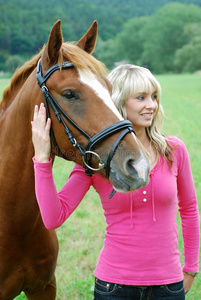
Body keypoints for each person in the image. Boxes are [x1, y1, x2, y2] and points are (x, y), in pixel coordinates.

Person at [31, 64, 200, 300]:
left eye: (154, 97)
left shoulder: (174, 150)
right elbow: (53, 217)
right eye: (140, 98)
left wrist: (191, 268)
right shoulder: (94, 161)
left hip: (168, 286)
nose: (151, 105)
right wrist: (41, 159)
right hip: (113, 287)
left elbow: (189, 209)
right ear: (118, 102)